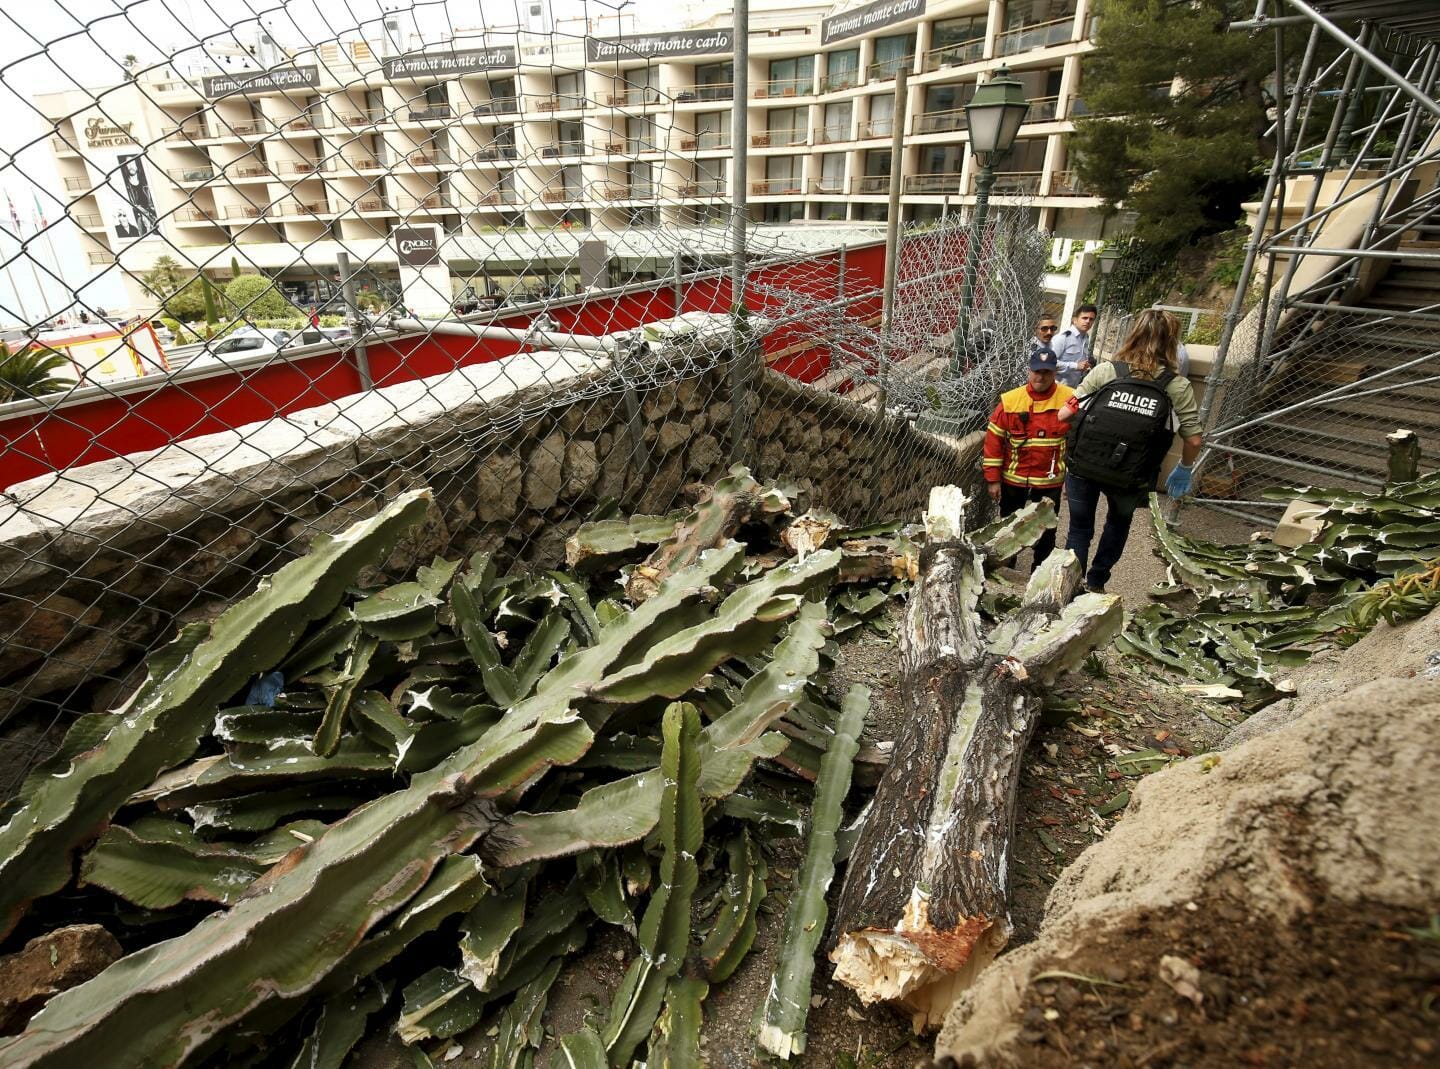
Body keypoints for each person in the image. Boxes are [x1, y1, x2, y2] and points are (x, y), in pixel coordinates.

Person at [1057, 309, 1204, 593]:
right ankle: (1097, 582)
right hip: (1133, 472)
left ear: (1133, 334)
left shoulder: (1107, 371)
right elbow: (1194, 440)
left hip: (1085, 464)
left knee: (1079, 529)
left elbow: (1065, 414)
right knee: (1117, 523)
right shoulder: (1177, 386)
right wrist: (1184, 468)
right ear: (1172, 343)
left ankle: (1069, 586)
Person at [982, 347, 1075, 570]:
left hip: (1049, 480)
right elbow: (993, 441)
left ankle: (1039, 572)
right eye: (1036, 372)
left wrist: (1072, 480)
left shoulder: (1070, 400)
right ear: (1028, 372)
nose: (1040, 377)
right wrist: (993, 480)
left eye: (1046, 372)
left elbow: (1079, 440)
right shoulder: (1011, 401)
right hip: (1014, 478)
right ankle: (1005, 569)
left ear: (1055, 373)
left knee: (1046, 530)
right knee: (1009, 528)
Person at [1052, 304, 1097, 388]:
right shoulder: (1063, 338)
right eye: (1084, 318)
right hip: (1056, 387)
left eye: (1091, 319)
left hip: (1073, 388)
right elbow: (1049, 362)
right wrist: (1076, 366)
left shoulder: (1086, 338)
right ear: (1075, 320)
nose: (1088, 321)